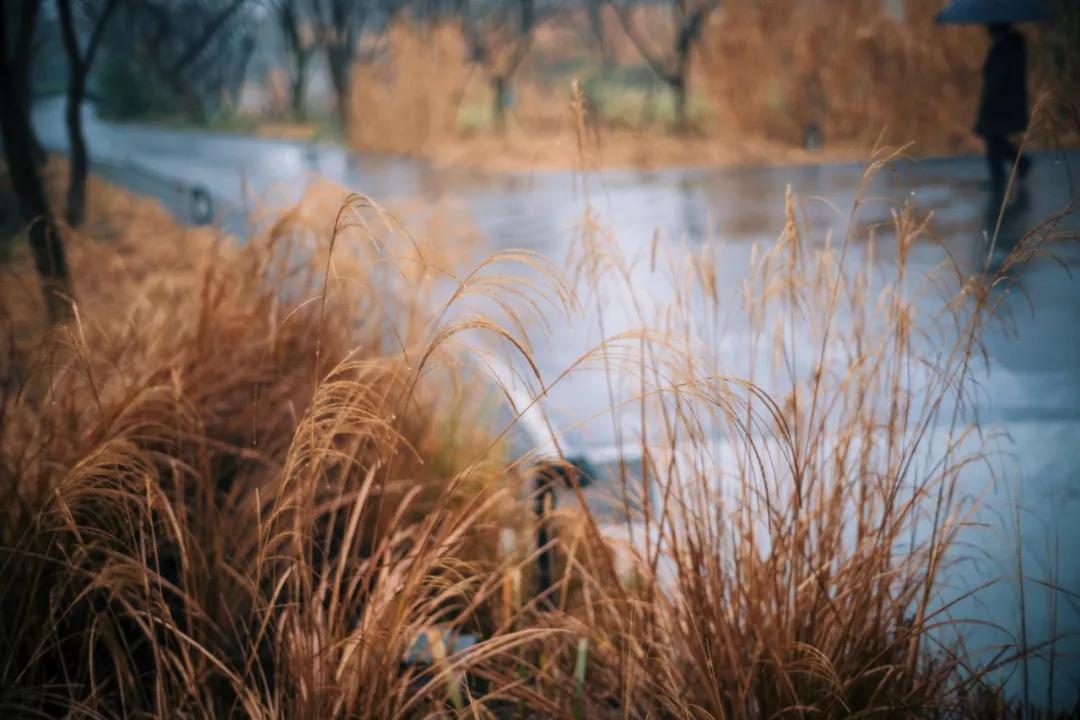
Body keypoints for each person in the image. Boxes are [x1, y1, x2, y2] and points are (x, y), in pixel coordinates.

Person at [976, 23, 1031, 201]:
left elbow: (998, 75)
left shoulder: (1007, 45)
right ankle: (1006, 172)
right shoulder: (1008, 44)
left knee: (993, 137)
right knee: (994, 138)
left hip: (1002, 101)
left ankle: (1012, 169)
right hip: (1003, 101)